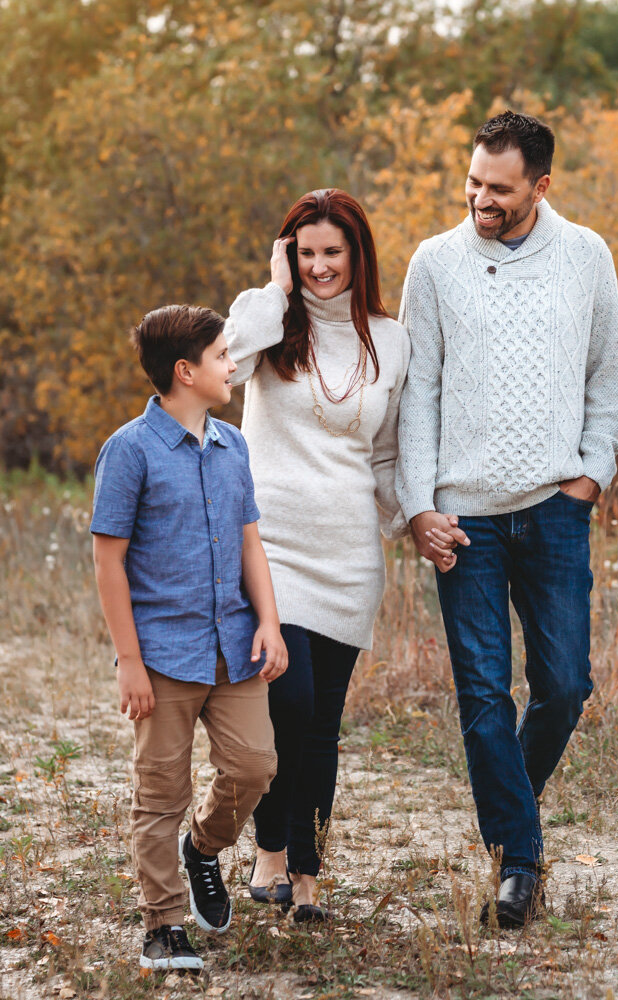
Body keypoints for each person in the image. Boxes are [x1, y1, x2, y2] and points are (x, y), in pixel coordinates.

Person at [397, 111, 618, 928]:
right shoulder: (433, 263)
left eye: (498, 188)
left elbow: (609, 380)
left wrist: (592, 477)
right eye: (472, 182)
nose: (479, 199)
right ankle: (519, 860)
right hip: (464, 518)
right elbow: (416, 392)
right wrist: (418, 506)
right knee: (485, 694)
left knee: (565, 687)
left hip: (555, 509)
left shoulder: (587, 256)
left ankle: (507, 811)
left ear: (541, 185)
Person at [223, 189, 412, 923]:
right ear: (288, 256)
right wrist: (274, 288)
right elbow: (225, 369)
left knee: (322, 721)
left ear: (357, 255)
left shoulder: (390, 340)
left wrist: (416, 520)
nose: (320, 266)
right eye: (306, 253)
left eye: (333, 252)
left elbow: (389, 452)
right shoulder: (269, 320)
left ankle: (306, 875)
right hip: (270, 543)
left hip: (348, 554)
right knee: (286, 701)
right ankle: (271, 848)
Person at [90, 304, 288, 972]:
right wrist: (129, 662)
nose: (231, 366)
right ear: (186, 371)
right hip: (164, 655)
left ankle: (202, 849)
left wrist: (268, 620)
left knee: (256, 764)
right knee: (160, 793)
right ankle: (164, 926)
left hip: (234, 648)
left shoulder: (233, 447)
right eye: (221, 357)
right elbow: (108, 560)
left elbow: (248, 540)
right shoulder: (130, 450)